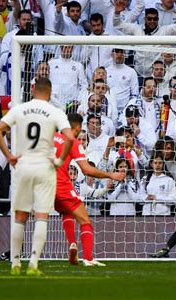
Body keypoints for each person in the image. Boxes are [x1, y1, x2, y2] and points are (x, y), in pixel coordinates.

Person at [0, 78, 75, 276]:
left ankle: (14, 264)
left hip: (23, 165)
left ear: (33, 90)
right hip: (45, 167)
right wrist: (59, 160)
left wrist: (9, 155)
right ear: (50, 91)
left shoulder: (20, 109)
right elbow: (70, 138)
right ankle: (33, 263)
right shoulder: (55, 112)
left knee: (20, 216)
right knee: (41, 216)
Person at [53, 113, 125, 266]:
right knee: (85, 221)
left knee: (64, 212)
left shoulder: (50, 136)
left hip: (42, 186)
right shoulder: (73, 142)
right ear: (78, 127)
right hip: (61, 185)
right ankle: (88, 258)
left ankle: (72, 243)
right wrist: (111, 174)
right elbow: (87, 170)